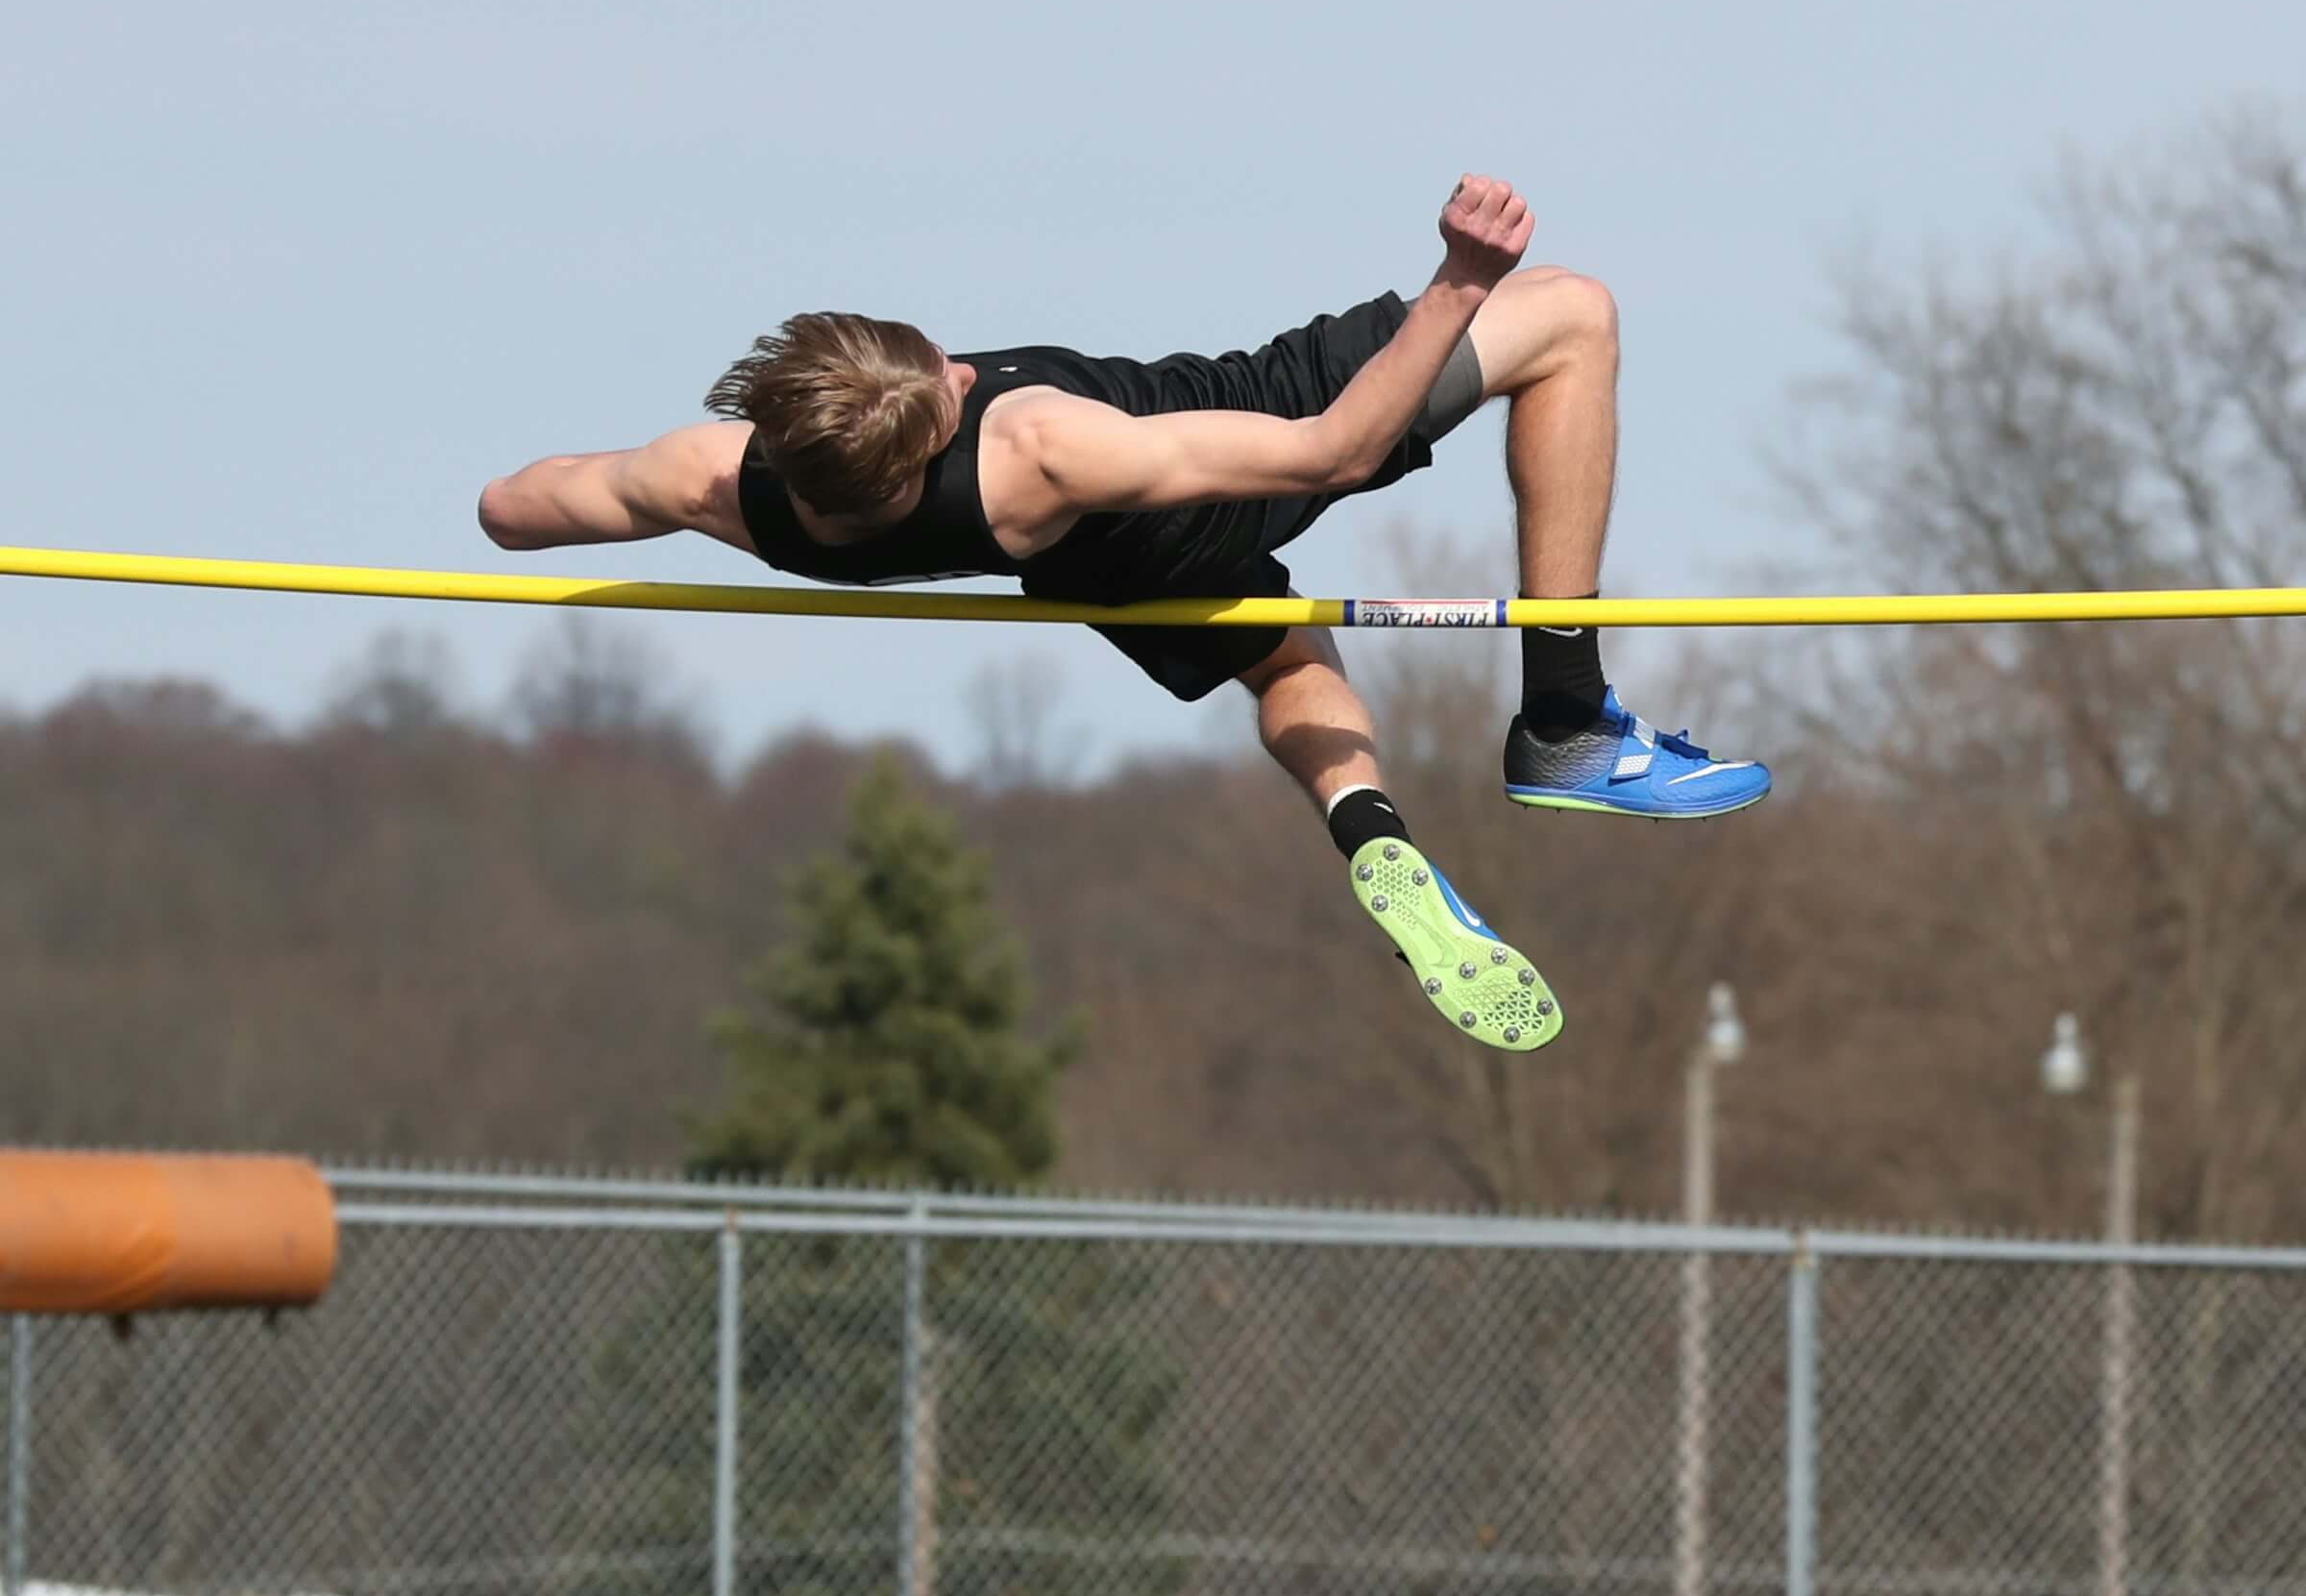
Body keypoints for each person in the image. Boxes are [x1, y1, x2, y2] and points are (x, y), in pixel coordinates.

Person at [478, 176, 1767, 1053]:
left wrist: (531, 504)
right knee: (1572, 319)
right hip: (1187, 468)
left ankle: (1370, 832)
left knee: (1290, 672)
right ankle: (1563, 723)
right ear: (934, 441)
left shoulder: (725, 490)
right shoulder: (1040, 444)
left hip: (1097, 577)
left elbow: (519, 505)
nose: (966, 367)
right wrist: (1458, 282)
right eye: (947, 385)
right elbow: (1326, 450)